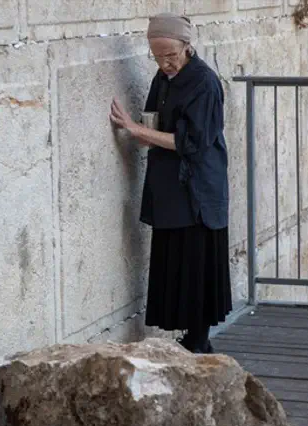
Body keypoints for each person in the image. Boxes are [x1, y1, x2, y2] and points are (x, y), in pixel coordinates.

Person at [109, 13, 231, 354]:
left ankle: (197, 343)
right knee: (177, 258)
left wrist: (138, 130)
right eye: (157, 56)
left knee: (196, 259)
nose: (164, 63)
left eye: (171, 56)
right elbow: (156, 121)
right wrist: (144, 129)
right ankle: (193, 343)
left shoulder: (204, 82)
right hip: (171, 185)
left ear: (187, 47)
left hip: (198, 187)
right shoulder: (163, 78)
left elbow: (191, 142)